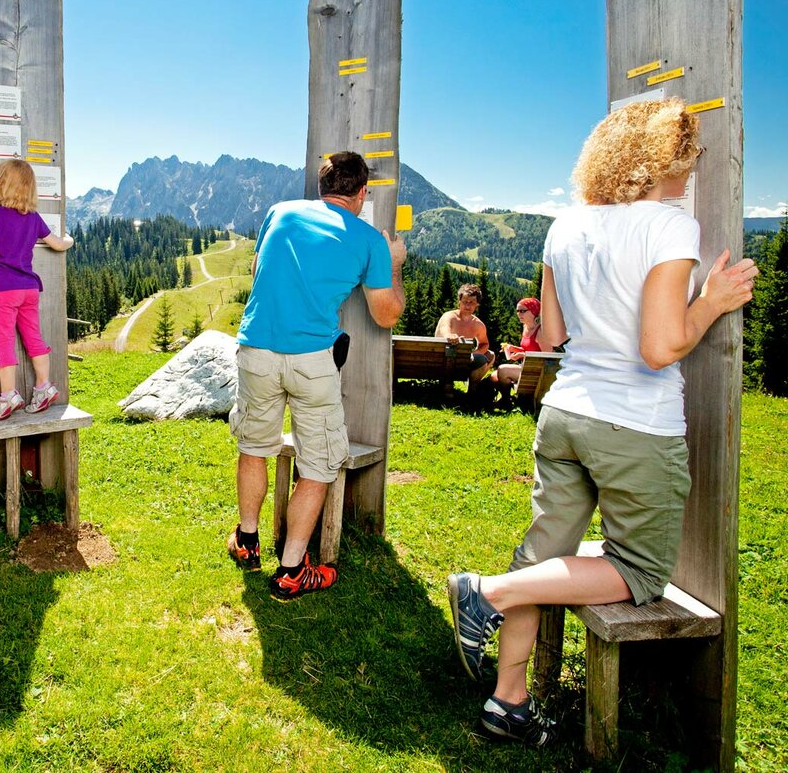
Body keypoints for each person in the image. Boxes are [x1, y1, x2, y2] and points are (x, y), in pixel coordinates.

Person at [446, 98, 757, 746]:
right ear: (665, 157)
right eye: (689, 153)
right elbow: (660, 346)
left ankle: (509, 702)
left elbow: (553, 332)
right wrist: (711, 303)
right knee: (641, 573)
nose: (692, 166)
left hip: (566, 413)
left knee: (544, 554)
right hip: (634, 425)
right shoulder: (669, 227)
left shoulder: (567, 223)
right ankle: (487, 593)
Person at [227, 151, 406, 600]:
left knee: (253, 446)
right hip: (311, 360)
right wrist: (395, 262)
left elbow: (258, 269)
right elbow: (386, 315)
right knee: (320, 464)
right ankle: (291, 571)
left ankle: (248, 544)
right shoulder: (369, 241)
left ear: (322, 187)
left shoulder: (279, 212)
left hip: (256, 350)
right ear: (362, 193)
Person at [0, 159, 74, 419]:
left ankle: (8, 395)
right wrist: (69, 239)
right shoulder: (34, 219)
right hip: (29, 289)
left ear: (1, 185)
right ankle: (43, 386)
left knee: (4, 343)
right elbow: (58, 244)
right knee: (34, 338)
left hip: (4, 291)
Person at [435, 283, 495, 388]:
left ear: (477, 304)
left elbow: (484, 344)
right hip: (441, 360)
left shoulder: (478, 324)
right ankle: (446, 385)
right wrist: (450, 335)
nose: (467, 306)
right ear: (459, 302)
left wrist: (473, 353)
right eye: (464, 302)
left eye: (471, 302)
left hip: (463, 361)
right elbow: (444, 330)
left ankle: (472, 390)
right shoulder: (449, 316)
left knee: (490, 355)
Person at [492, 297, 543, 406]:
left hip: (537, 372)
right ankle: (510, 399)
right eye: (517, 311)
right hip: (526, 367)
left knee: (502, 370)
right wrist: (513, 348)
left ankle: (507, 401)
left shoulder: (541, 331)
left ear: (534, 311)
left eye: (523, 311)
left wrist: (524, 355)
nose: (519, 314)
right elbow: (528, 349)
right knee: (494, 376)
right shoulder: (526, 328)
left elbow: (548, 357)